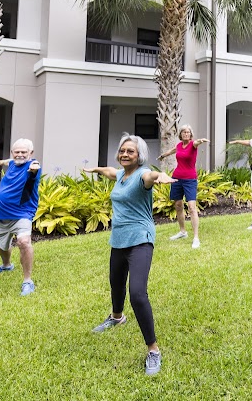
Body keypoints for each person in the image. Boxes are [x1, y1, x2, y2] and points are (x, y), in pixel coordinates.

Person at [84, 134, 175, 376]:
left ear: (139, 156)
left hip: (141, 239)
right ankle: (117, 317)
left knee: (137, 293)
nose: (125, 154)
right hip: (119, 239)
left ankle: (153, 350)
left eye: (130, 151)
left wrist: (160, 176)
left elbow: (151, 177)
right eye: (122, 150)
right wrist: (95, 168)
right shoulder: (120, 175)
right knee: (115, 283)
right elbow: (109, 171)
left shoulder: (142, 175)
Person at [0, 138, 41, 297]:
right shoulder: (12, 163)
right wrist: (4, 161)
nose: (20, 155)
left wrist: (34, 168)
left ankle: (28, 281)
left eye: (24, 152)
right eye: (17, 152)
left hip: (22, 213)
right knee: (2, 245)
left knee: (23, 242)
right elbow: (13, 160)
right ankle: (6, 265)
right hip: (2, 214)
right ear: (12, 152)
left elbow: (33, 167)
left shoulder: (32, 166)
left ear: (31, 153)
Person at [157, 124, 210, 249]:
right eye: (184, 132)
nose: (186, 134)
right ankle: (182, 232)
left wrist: (200, 141)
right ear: (180, 134)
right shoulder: (179, 145)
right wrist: (163, 156)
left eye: (188, 132)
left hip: (190, 180)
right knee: (178, 205)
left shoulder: (193, 144)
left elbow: (196, 143)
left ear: (191, 135)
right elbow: (173, 151)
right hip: (176, 178)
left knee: (192, 207)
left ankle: (196, 237)